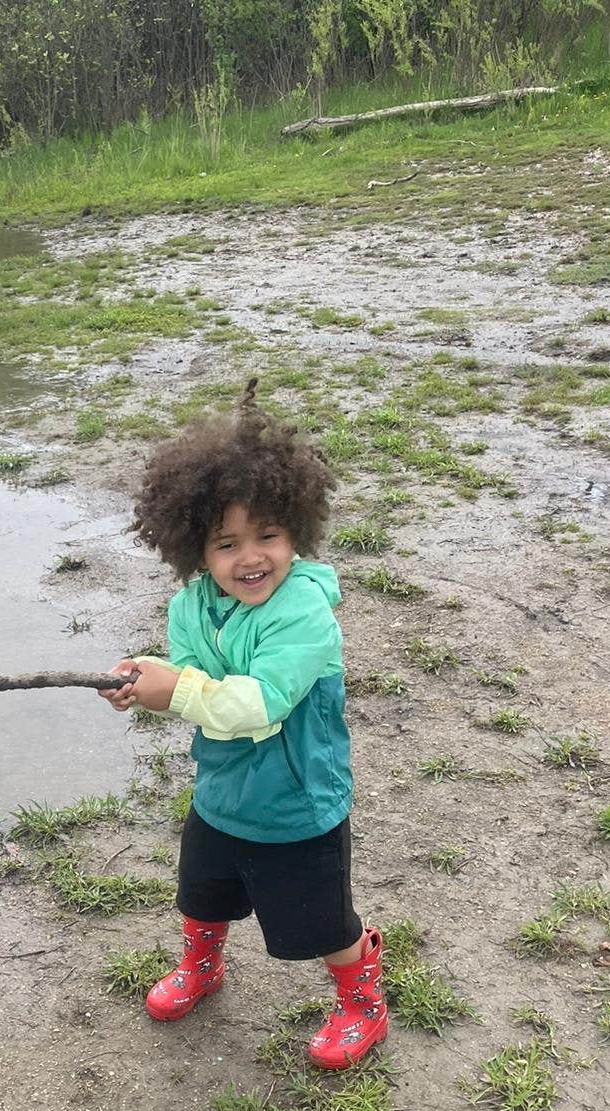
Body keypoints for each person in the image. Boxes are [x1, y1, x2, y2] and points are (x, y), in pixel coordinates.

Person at [98, 382, 387, 1070]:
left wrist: (183, 688)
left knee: (321, 921)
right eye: (226, 544)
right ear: (195, 550)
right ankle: (203, 966)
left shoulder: (304, 614)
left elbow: (256, 706)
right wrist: (147, 681)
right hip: (222, 794)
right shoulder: (191, 606)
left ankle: (362, 1002)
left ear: (297, 530)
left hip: (296, 804)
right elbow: (193, 680)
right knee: (201, 893)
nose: (249, 557)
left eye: (267, 536)